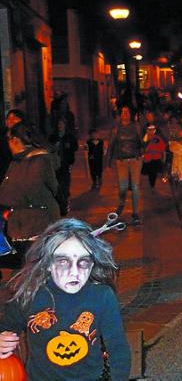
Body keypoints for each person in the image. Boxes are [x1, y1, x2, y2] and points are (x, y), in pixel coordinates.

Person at [0, 218, 131, 380]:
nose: (74, 272)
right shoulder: (29, 294)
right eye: (63, 261)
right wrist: (2, 339)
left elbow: (118, 347)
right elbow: (8, 327)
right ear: (47, 263)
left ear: (92, 264)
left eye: (83, 261)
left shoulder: (102, 296)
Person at [0, 122, 60, 268]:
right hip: (30, 221)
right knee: (35, 265)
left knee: (34, 267)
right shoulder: (30, 160)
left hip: (34, 223)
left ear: (15, 140)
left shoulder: (30, 162)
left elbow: (16, 192)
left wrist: (11, 207)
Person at [107, 106, 143, 226]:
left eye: (127, 111)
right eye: (123, 112)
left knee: (135, 186)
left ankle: (135, 213)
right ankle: (121, 204)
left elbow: (141, 142)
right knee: (123, 186)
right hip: (121, 160)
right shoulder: (116, 128)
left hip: (135, 159)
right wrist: (108, 161)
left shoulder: (136, 126)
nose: (125, 114)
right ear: (120, 115)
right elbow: (111, 145)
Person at [0, 109, 27, 180]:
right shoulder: (2, 136)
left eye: (15, 118)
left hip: (21, 171)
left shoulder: (26, 136)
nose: (10, 120)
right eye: (8, 118)